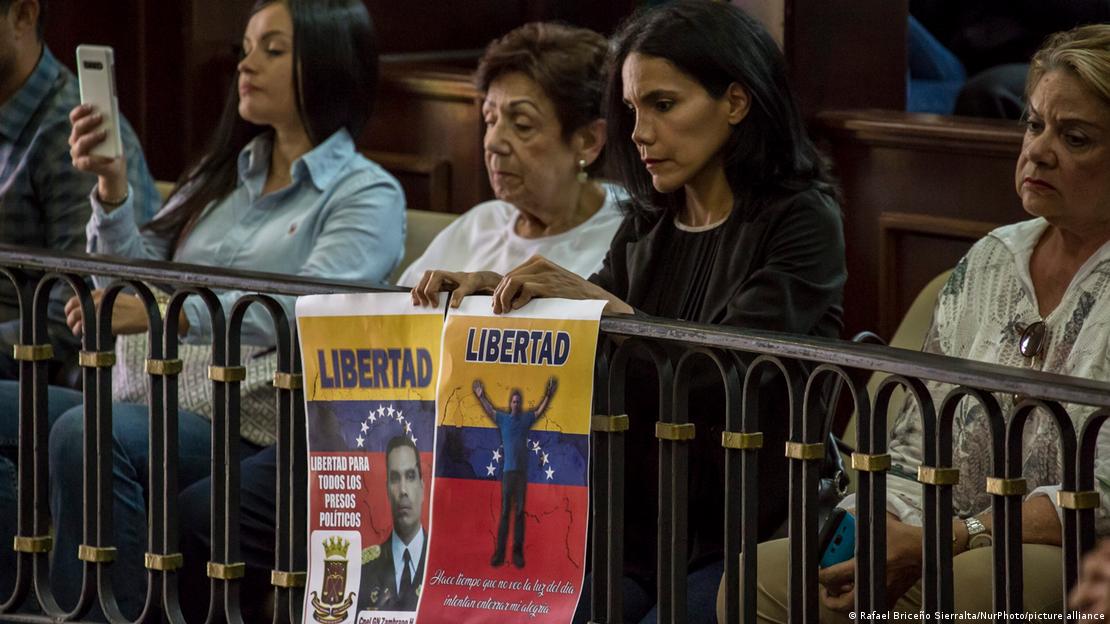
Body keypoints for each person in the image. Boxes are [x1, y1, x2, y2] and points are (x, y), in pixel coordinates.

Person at [438, 2, 846, 620]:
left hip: (745, 533)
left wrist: (606, 309)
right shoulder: (649, 221)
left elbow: (724, 371)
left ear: (735, 103)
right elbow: (583, 338)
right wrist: (495, 298)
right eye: (631, 110)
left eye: (663, 104)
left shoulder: (802, 219)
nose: (639, 132)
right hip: (628, 530)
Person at [731, 23, 1110, 622]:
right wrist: (880, 518)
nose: (1038, 150)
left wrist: (957, 536)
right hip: (946, 525)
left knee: (967, 589)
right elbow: (917, 437)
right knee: (761, 579)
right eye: (1034, 124)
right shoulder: (992, 257)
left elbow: (1104, 494)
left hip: (1075, 548)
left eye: (1076, 137)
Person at [47, 0, 404, 618]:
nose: (246, 64)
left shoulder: (368, 193)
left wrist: (173, 315)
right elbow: (126, 280)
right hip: (146, 387)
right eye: (245, 48)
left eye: (273, 49)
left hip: (247, 418)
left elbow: (309, 307)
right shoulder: (223, 174)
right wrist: (111, 188)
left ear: (326, 63)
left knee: (84, 431)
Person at [0, 0, 158, 601]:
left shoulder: (73, 131)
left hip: (67, 369)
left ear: (23, 14)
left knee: (79, 430)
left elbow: (77, 308)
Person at [405, 21, 622, 303]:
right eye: (490, 119)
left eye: (522, 125)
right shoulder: (480, 223)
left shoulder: (627, 238)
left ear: (588, 140)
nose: (493, 143)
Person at [472, 377, 557, 569]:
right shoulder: (503, 420)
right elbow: (490, 410)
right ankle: (499, 555)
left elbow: (539, 411)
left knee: (519, 513)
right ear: (510, 404)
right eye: (514, 401)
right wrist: (481, 396)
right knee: (504, 513)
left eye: (519, 402)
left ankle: (517, 554)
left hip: (521, 475)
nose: (516, 404)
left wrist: (548, 395)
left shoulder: (526, 419)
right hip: (508, 473)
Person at [358, 435, 427, 612]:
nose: (403, 490)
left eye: (410, 476)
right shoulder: (365, 569)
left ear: (422, 487)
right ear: (387, 490)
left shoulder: (441, 562)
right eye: (395, 478)